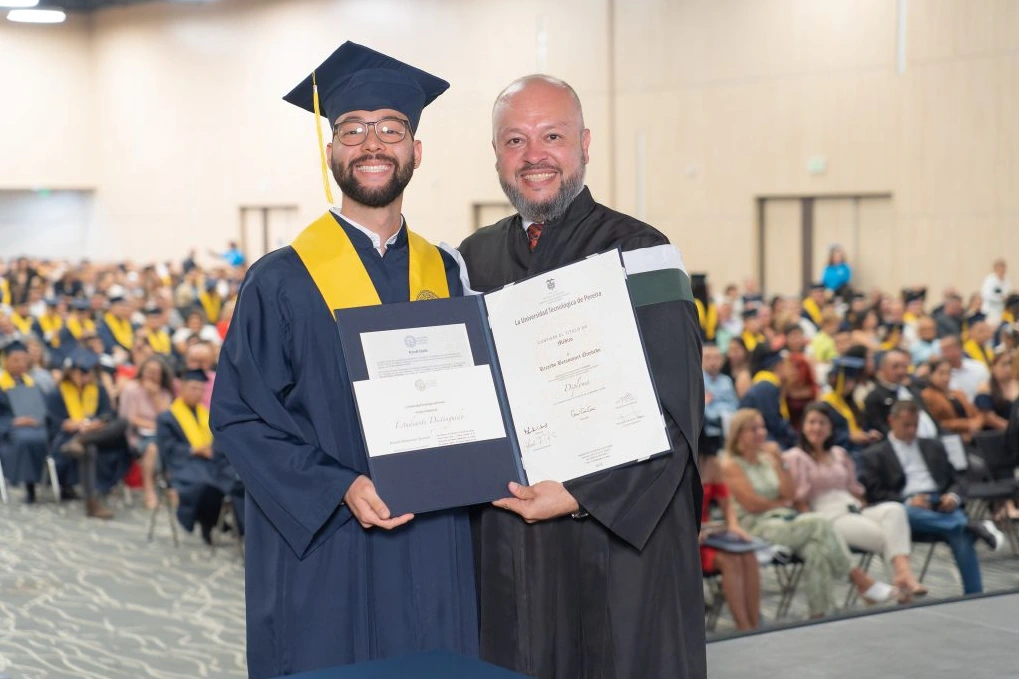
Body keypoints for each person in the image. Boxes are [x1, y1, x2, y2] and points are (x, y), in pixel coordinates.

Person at [210, 42, 477, 678]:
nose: (372, 143)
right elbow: (239, 419)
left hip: (433, 542)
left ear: (416, 149)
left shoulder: (450, 271)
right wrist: (339, 487)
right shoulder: (279, 281)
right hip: (328, 546)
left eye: (391, 127)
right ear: (331, 151)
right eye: (352, 128)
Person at [457, 74, 705, 679]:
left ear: (585, 144)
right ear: (495, 155)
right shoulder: (471, 260)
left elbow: (679, 413)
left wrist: (578, 493)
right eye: (515, 140)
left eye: (552, 136)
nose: (534, 155)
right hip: (511, 531)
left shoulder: (641, 252)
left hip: (614, 535)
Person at [721, 409, 896, 617]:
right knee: (819, 522)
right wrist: (780, 503)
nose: (761, 433)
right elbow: (752, 504)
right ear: (738, 434)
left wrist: (780, 463)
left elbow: (790, 493)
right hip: (756, 527)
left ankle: (819, 613)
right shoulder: (731, 465)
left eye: (762, 427)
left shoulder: (768, 459)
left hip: (784, 521)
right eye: (753, 429)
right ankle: (861, 580)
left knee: (816, 549)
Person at [858, 401, 1005, 595]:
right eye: (906, 425)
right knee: (947, 524)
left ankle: (974, 595)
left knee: (960, 534)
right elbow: (875, 495)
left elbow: (958, 479)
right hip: (905, 507)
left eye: (915, 425)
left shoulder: (933, 446)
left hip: (939, 502)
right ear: (891, 421)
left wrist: (952, 496)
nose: (912, 430)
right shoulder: (874, 455)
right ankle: (972, 526)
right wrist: (909, 501)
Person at [784, 403, 924, 597]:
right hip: (828, 514)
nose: (816, 428)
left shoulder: (839, 454)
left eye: (822, 423)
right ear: (803, 426)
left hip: (854, 507)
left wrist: (867, 510)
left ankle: (903, 576)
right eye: (811, 422)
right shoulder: (796, 457)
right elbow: (799, 500)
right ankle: (903, 585)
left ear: (830, 428)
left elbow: (855, 489)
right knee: (883, 536)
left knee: (895, 510)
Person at [48, 347, 132, 519]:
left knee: (122, 422)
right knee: (89, 449)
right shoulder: (57, 392)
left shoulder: (98, 389)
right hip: (66, 439)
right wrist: (78, 425)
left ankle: (82, 440)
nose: (84, 377)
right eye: (80, 373)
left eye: (88, 373)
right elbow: (57, 423)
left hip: (98, 433)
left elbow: (107, 415)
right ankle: (91, 503)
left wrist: (96, 423)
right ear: (69, 373)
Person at [157, 369, 238, 544]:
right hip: (183, 464)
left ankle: (232, 525)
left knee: (233, 478)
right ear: (182, 389)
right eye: (193, 388)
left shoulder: (207, 415)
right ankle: (208, 521)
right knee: (205, 483)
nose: (197, 393)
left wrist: (212, 449)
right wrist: (193, 450)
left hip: (209, 462)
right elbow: (167, 448)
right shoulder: (167, 418)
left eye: (201, 389)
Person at [698, 450, 761, 631]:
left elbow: (727, 505)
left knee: (748, 554)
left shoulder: (710, 462)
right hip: (683, 537)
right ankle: (744, 627)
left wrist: (733, 525)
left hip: (707, 532)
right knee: (731, 561)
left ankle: (754, 624)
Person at [118, 356, 174, 509]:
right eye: (149, 371)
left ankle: (172, 487)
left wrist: (155, 397)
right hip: (137, 436)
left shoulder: (164, 393)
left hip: (159, 435)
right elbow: (129, 418)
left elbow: (165, 418)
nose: (151, 376)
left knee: (172, 445)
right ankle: (149, 491)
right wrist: (154, 425)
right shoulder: (132, 389)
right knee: (153, 449)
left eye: (156, 373)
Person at [0, 340, 50, 503]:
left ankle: (55, 483)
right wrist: (13, 422)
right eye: (16, 360)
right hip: (9, 432)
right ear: (5, 360)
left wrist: (39, 418)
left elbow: (44, 410)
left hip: (35, 427)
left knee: (45, 438)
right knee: (25, 439)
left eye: (24, 360)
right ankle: (29, 485)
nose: (21, 364)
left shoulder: (32, 383)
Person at [863, 348, 939, 439]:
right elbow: (883, 430)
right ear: (882, 369)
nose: (901, 371)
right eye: (895, 367)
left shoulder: (913, 391)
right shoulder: (874, 397)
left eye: (904, 367)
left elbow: (930, 418)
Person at [822, 356, 883, 456]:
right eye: (848, 381)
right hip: (839, 452)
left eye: (853, 381)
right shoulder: (826, 403)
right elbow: (828, 434)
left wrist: (869, 434)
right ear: (838, 380)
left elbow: (863, 426)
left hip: (860, 449)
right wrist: (849, 437)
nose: (851, 385)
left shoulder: (854, 403)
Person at [739, 347, 797, 450]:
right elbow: (772, 421)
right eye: (789, 365)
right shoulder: (766, 386)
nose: (793, 371)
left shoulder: (769, 385)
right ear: (779, 366)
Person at [921, 358, 984, 444]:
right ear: (931, 374)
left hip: (973, 435)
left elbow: (976, 413)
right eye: (941, 373)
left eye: (948, 373)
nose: (946, 378)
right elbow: (938, 422)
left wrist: (977, 423)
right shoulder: (927, 395)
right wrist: (967, 425)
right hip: (949, 438)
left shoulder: (958, 393)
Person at [702, 342, 738, 456]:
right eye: (708, 358)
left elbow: (734, 405)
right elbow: (703, 410)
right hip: (708, 430)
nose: (713, 362)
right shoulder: (697, 381)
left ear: (722, 360)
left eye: (716, 358)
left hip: (729, 424)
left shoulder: (726, 380)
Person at [940, 335, 990, 402]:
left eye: (947, 350)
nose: (944, 355)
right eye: (942, 351)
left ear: (959, 348)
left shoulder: (979, 368)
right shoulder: (940, 376)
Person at [976, 352, 1018, 431]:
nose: (1008, 369)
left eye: (1010, 364)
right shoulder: (985, 388)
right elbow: (989, 418)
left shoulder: (1016, 384)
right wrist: (1013, 429)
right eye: (1004, 364)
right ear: (993, 367)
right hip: (997, 435)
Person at [692, 273, 718, 343]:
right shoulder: (694, 303)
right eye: (708, 287)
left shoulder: (710, 303)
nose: (710, 290)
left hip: (710, 339)